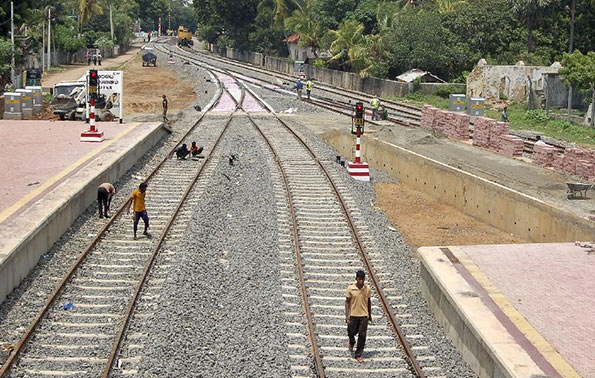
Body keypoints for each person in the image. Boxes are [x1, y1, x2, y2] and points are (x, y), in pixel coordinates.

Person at [345, 269, 372, 363]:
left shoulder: (367, 289)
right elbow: (347, 302)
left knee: (362, 335)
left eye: (363, 279)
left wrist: (370, 315)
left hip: (363, 315)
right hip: (353, 315)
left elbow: (368, 302)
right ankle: (352, 342)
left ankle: (358, 354)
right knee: (350, 332)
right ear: (356, 278)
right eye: (359, 279)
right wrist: (347, 315)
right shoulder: (350, 288)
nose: (361, 281)